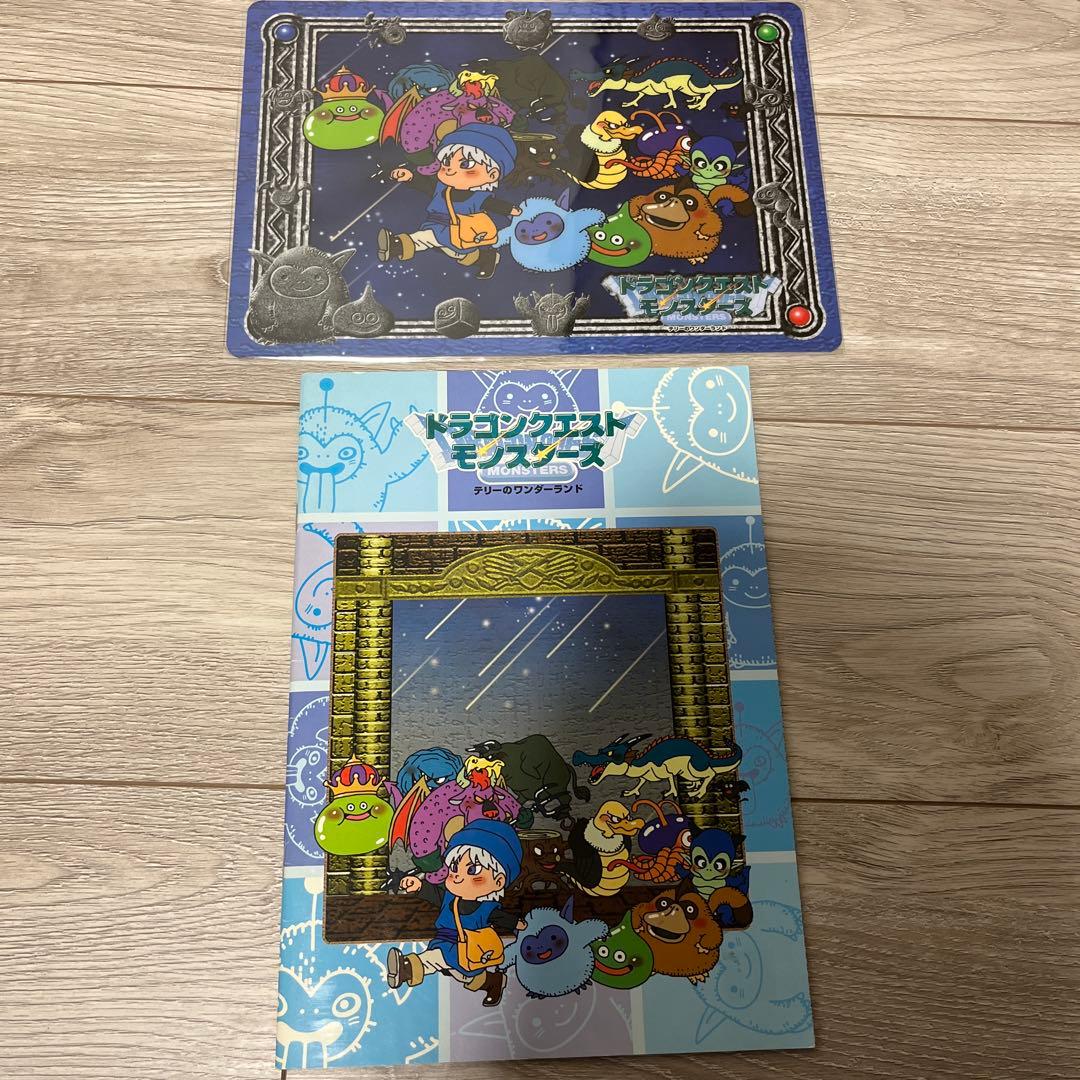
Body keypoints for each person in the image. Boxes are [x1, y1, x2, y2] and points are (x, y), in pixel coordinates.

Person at [386, 818, 523, 1007]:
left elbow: (501, 918)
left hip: (467, 948)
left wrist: (518, 924)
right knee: (462, 976)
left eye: (473, 870)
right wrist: (419, 886)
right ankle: (494, 981)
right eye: (455, 867)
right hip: (445, 940)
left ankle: (407, 968)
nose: (458, 875)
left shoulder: (487, 907)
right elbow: (435, 894)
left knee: (437, 959)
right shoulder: (450, 897)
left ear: (498, 881)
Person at [378, 123, 520, 279]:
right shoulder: (441, 188)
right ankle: (486, 258)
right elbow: (425, 185)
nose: (450, 169)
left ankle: (397, 245)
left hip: (458, 231)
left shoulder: (478, 196)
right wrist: (410, 177)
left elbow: (493, 204)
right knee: (454, 252)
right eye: (446, 161)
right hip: (437, 225)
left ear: (492, 175)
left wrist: (510, 209)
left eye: (465, 164)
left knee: (427, 239)